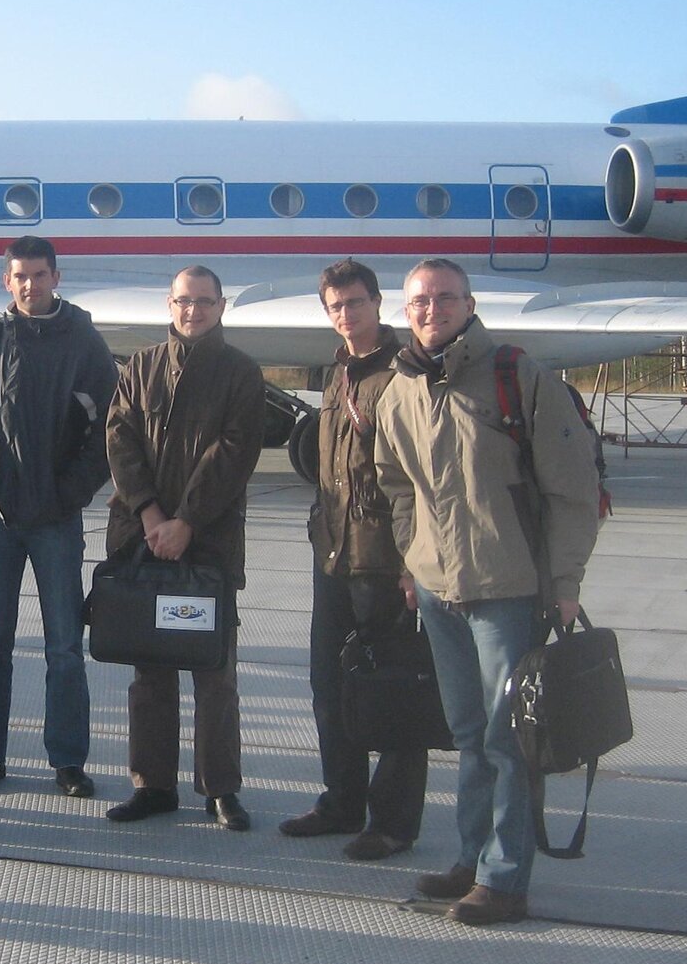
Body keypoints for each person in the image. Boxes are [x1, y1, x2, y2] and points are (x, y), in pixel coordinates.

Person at [372, 258, 601, 925]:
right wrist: (413, 565)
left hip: (507, 588)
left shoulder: (516, 376)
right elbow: (397, 488)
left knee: (508, 742)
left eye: (446, 297)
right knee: (469, 735)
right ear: (405, 310)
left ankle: (506, 879)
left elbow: (573, 490)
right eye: (420, 299)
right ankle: (472, 860)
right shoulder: (399, 390)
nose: (432, 308)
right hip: (439, 592)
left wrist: (564, 584)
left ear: (469, 303)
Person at [0, 236, 117, 798]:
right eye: (20, 276)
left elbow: (108, 428)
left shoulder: (83, 343)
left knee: (63, 645)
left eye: (39, 274)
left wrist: (70, 492)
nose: (30, 284)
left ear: (57, 277)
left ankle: (68, 760)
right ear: (6, 282)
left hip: (54, 520)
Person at [103, 266, 264, 831]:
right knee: (151, 672)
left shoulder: (242, 373)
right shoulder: (139, 368)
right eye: (182, 301)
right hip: (143, 541)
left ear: (221, 306)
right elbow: (119, 440)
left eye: (203, 301)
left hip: (207, 546)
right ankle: (154, 786)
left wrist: (187, 523)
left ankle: (220, 788)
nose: (191, 311)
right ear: (168, 305)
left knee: (214, 671)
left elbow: (234, 453)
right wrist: (150, 513)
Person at [279, 260, 427, 858]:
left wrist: (414, 562)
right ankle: (341, 801)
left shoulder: (404, 372)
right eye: (336, 306)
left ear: (378, 303)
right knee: (330, 686)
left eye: (356, 303)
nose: (347, 315)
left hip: (385, 561)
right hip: (334, 555)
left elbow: (418, 476)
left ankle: (391, 823)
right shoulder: (338, 371)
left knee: (391, 692)